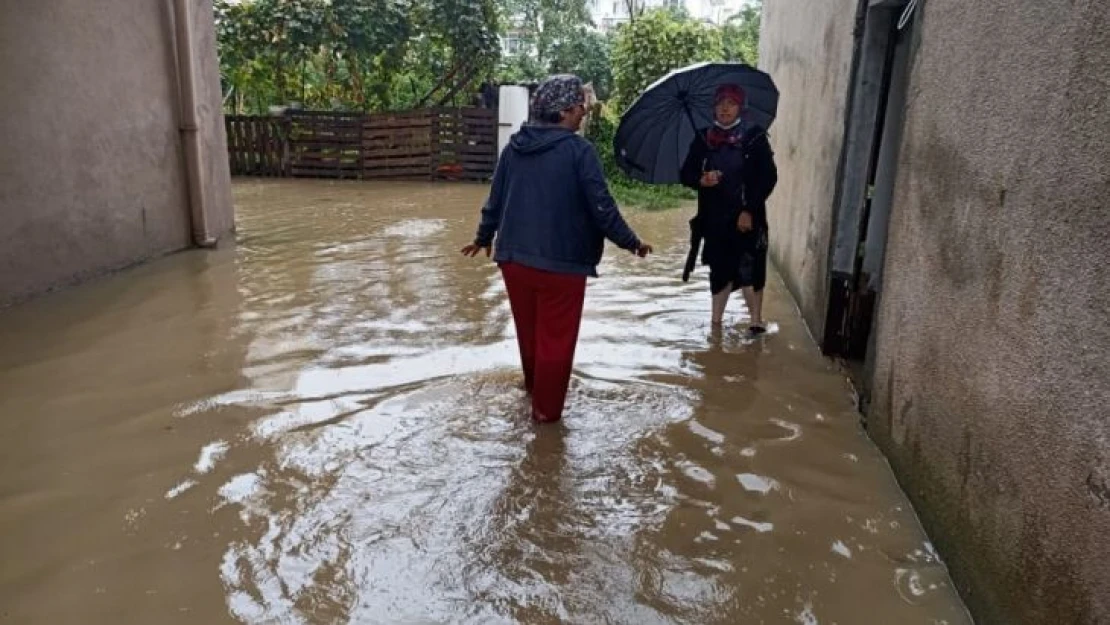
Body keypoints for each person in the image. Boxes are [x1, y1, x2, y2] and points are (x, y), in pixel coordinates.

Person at [462, 74, 653, 423]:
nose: (584, 112)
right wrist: (632, 242)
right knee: (556, 343)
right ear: (564, 111)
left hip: (514, 261)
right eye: (581, 106)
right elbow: (602, 209)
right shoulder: (579, 152)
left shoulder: (514, 147)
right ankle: (546, 423)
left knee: (530, 336)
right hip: (561, 265)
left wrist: (482, 238)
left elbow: (495, 200)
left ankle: (534, 392)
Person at [680, 84, 778, 334]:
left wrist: (749, 210)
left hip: (746, 217)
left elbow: (768, 178)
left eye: (731, 103)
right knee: (719, 269)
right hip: (714, 217)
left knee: (749, 268)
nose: (725, 108)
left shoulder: (754, 138)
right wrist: (701, 179)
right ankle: (715, 325)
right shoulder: (703, 138)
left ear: (740, 108)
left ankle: (755, 321)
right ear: (714, 107)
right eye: (720, 103)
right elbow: (686, 173)